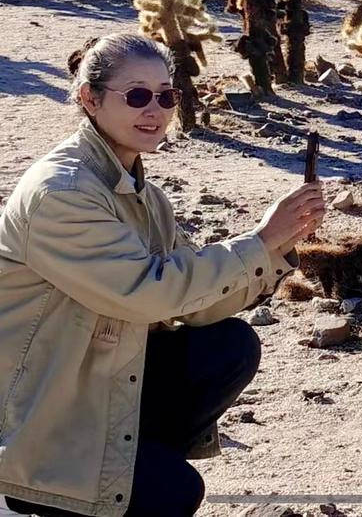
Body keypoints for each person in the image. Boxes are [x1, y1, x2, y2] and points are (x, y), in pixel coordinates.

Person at [0, 32, 326, 517]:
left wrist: (275, 247)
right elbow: (149, 294)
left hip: (93, 380)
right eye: (136, 95)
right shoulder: (62, 193)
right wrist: (257, 241)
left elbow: (190, 300)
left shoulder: (143, 196)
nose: (154, 109)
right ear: (89, 99)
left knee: (227, 347)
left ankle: (127, 464)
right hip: (40, 412)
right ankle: (25, 497)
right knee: (172, 492)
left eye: (166, 95)